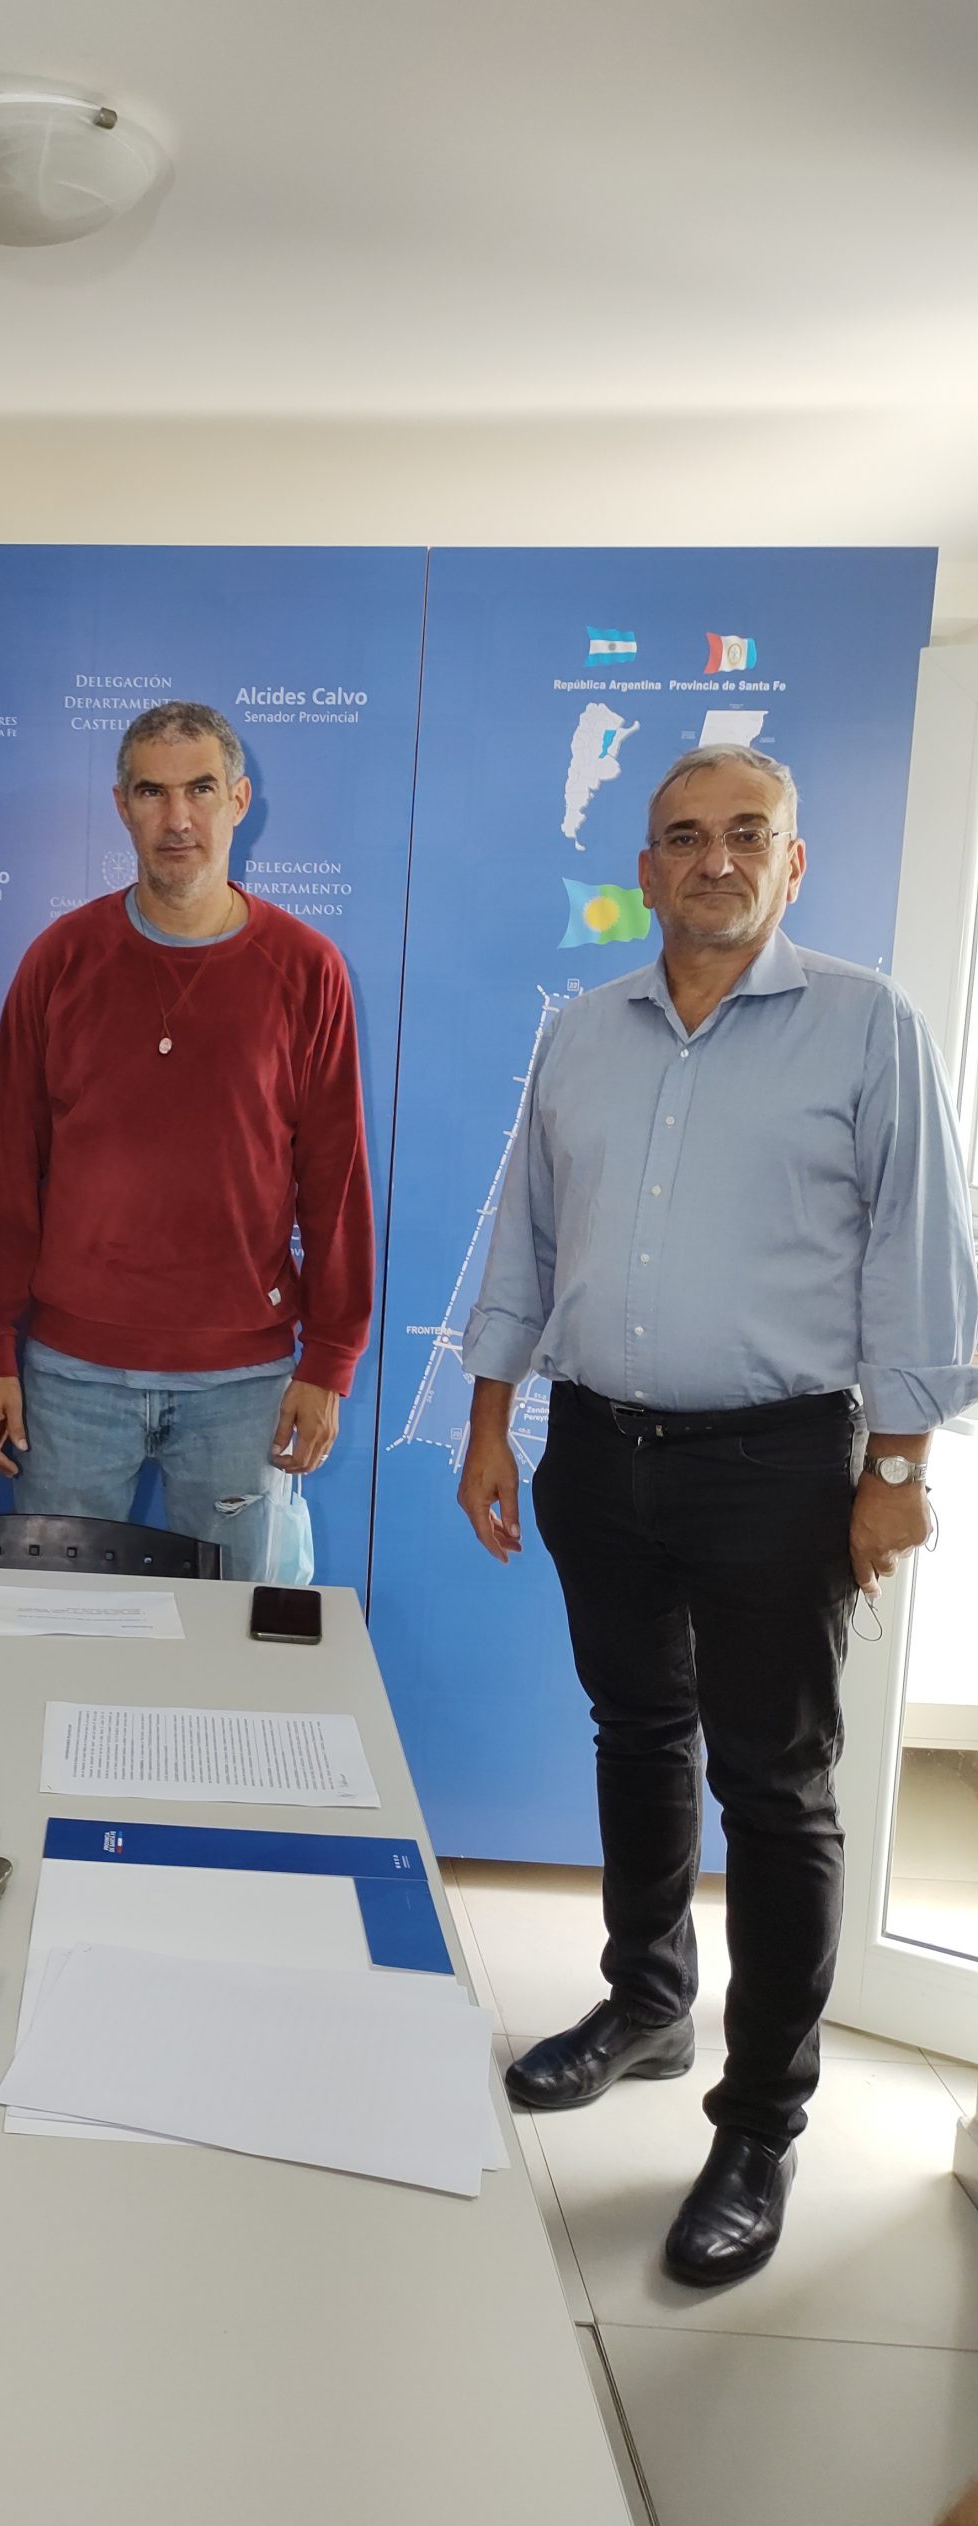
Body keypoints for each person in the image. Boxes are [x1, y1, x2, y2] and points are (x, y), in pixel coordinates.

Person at [457, 742, 978, 2286]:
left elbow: (920, 1259)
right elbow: (522, 1237)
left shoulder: (869, 1026)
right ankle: (646, 2001)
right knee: (636, 1732)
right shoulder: (583, 1034)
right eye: (684, 837)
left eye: (749, 833)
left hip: (780, 1467)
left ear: (792, 862)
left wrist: (898, 1474)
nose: (716, 860)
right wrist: (488, 1421)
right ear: (646, 869)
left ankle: (760, 2125)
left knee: (776, 1788)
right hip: (598, 1450)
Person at [0, 699, 374, 1582]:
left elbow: (335, 1185)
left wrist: (331, 1358)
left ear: (239, 800)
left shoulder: (308, 970)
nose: (178, 818)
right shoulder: (60, 960)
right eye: (152, 791)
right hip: (71, 1377)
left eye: (201, 789)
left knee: (243, 1633)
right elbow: (3, 1173)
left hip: (245, 1382)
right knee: (59, 1626)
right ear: (121, 806)